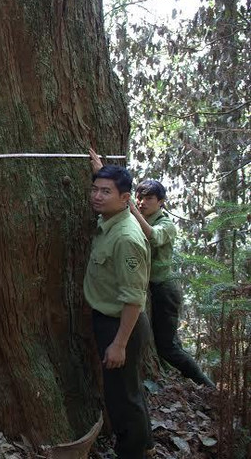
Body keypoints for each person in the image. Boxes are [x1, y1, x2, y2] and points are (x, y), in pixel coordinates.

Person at [90, 152, 213, 387]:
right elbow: (114, 198)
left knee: (168, 347)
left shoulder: (164, 223)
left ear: (161, 202)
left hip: (164, 290)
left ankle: (206, 386)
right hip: (147, 289)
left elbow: (153, 237)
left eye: (149, 198)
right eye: (140, 197)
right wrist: (102, 174)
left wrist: (132, 208)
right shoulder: (134, 215)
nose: (143, 202)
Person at [84, 163, 153, 458]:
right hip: (109, 320)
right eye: (95, 189)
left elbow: (134, 298)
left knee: (123, 397)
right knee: (126, 391)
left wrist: (119, 344)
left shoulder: (126, 238)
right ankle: (145, 445)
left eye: (106, 191)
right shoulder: (110, 221)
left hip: (122, 325)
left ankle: (133, 452)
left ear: (125, 198)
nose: (97, 196)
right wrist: (102, 170)